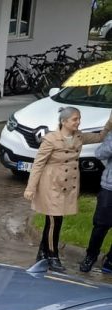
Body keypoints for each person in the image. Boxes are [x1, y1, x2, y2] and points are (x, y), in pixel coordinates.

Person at [25, 106, 112, 272]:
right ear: (63, 121)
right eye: (74, 119)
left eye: (79, 119)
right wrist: (31, 188)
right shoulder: (51, 139)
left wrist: (110, 122)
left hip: (66, 186)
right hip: (51, 185)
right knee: (54, 221)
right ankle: (52, 256)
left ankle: (42, 253)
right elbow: (38, 164)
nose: (78, 122)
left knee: (55, 221)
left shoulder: (79, 136)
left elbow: (100, 136)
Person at [80, 129, 112, 272]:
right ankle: (91, 256)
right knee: (101, 225)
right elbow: (99, 154)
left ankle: (110, 261)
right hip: (109, 188)